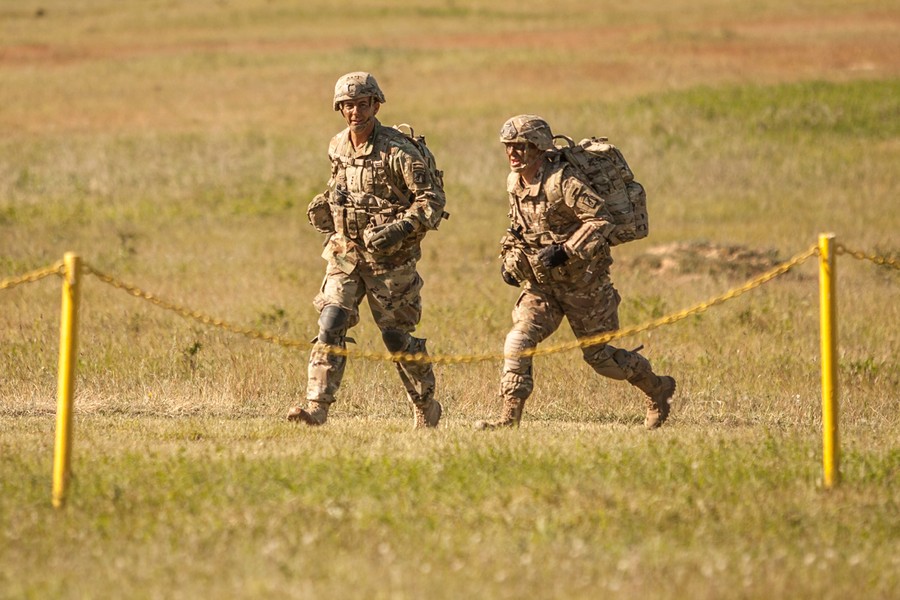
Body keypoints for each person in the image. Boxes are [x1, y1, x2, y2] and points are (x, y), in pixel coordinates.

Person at [475, 114, 676, 430]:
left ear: (539, 148)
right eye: (508, 147)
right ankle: (508, 419)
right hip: (542, 287)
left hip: (585, 286)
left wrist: (565, 250)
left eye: (520, 147)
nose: (513, 154)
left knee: (602, 359)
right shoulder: (514, 182)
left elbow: (600, 221)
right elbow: (519, 227)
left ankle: (657, 389)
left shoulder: (564, 182)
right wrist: (510, 260)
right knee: (517, 341)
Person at [288, 72, 446, 428]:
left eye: (363, 104)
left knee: (396, 337)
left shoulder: (398, 151)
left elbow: (431, 202)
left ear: (376, 105)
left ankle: (425, 406)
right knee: (331, 321)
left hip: (391, 261)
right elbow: (339, 186)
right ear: (339, 109)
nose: (355, 112)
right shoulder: (337, 145)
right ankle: (317, 406)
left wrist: (397, 230)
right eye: (348, 106)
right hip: (345, 252)